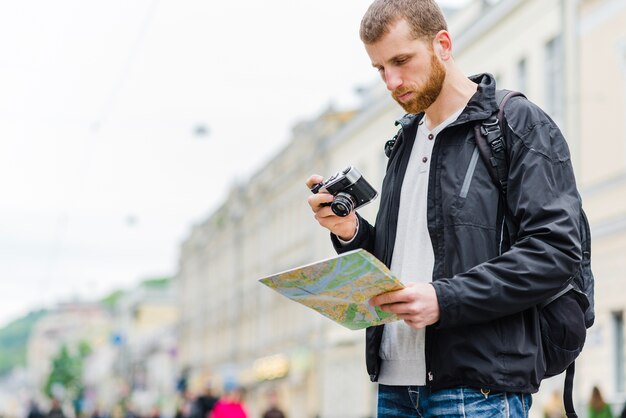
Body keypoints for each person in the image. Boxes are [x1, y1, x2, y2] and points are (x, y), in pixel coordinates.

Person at [305, 0, 582, 416]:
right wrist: (349, 232)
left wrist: (444, 299)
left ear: (443, 44)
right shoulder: (403, 141)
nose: (392, 81)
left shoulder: (516, 122)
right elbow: (397, 265)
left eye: (401, 60)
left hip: (480, 391)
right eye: (380, 69)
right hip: (395, 386)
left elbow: (555, 253)